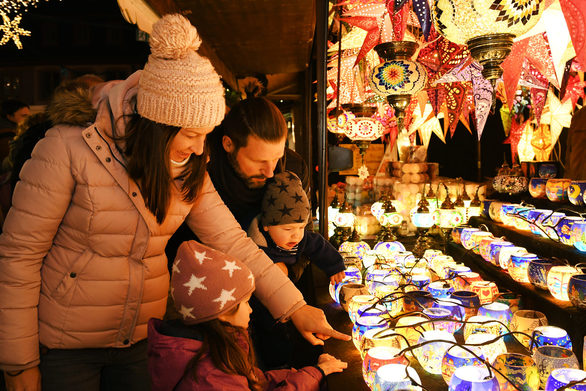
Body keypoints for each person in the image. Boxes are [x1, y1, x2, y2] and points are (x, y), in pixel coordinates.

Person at [0, 14, 348, 391]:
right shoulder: (68, 148)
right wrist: (19, 363)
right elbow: (20, 254)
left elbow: (231, 240)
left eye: (206, 135)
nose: (201, 148)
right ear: (158, 125)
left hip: (142, 338)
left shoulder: (190, 165)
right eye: (192, 134)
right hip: (66, 343)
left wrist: (295, 308)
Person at [148, 240, 347, 391]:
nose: (250, 309)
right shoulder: (209, 375)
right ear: (222, 313)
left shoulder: (220, 344)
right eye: (245, 302)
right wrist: (316, 373)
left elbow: (253, 380)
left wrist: (302, 373)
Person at [165, 96, 310, 265]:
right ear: (228, 144)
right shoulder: (201, 168)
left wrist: (287, 270)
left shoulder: (294, 168)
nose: (270, 172)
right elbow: (175, 240)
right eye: (258, 161)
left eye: (277, 157)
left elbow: (306, 238)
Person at [246, 171, 346, 370]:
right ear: (267, 226)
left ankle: (301, 359)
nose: (296, 235)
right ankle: (277, 366)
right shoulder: (253, 247)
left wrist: (335, 266)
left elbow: (319, 247)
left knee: (297, 331)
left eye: (300, 227)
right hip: (259, 304)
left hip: (291, 295)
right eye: (287, 229)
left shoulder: (301, 238)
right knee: (270, 337)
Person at [0, 99, 29, 164]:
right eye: (24, 116)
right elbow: (10, 160)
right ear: (9, 116)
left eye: (28, 116)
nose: (28, 119)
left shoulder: (16, 129)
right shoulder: (6, 134)